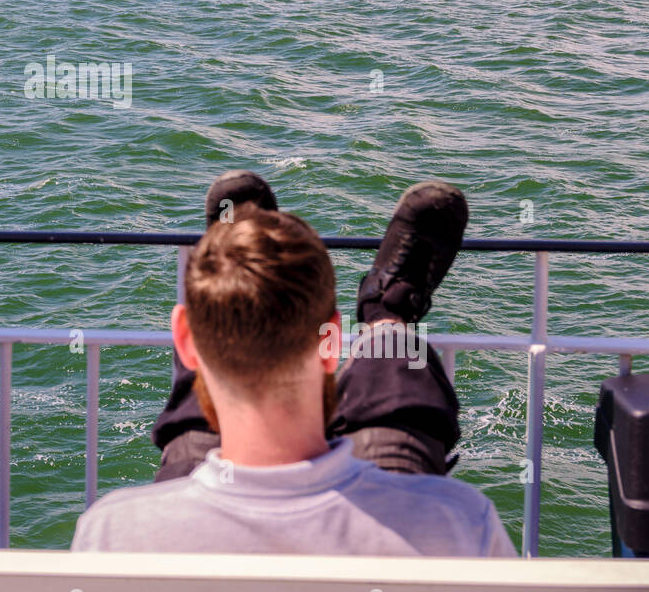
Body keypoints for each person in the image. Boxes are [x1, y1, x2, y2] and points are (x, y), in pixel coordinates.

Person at [73, 179, 517, 555]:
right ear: (332, 343)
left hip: (185, 506)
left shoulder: (113, 536)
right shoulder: (456, 527)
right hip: (391, 507)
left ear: (183, 340)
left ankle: (228, 308)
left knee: (195, 436)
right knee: (395, 413)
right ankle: (387, 312)